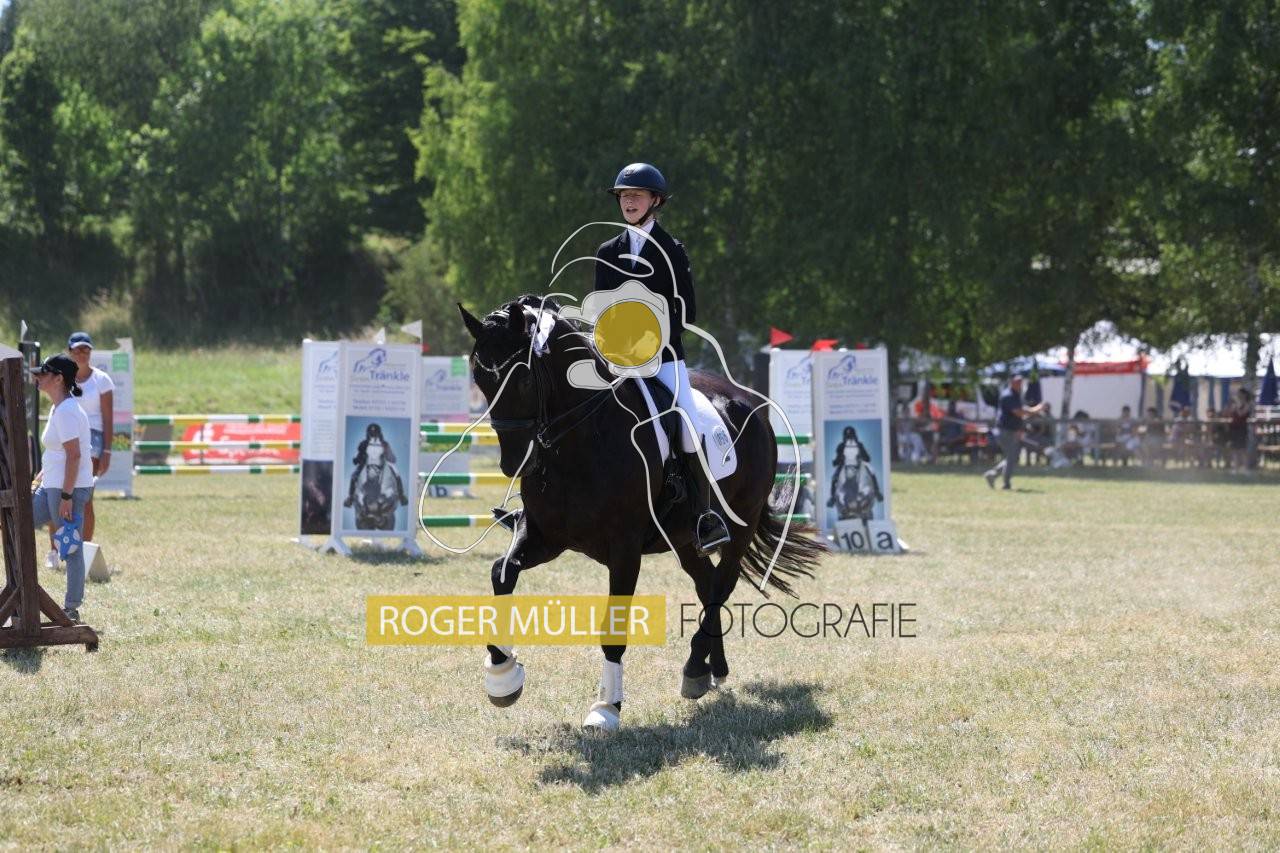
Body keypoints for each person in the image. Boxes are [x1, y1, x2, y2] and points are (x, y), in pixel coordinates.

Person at [593, 162, 728, 555]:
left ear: (655, 200)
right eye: (624, 195)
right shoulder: (607, 252)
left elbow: (686, 312)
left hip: (664, 360)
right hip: (616, 361)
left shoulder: (672, 250)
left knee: (688, 426)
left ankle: (703, 517)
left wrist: (646, 338)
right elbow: (601, 307)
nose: (629, 201)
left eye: (636, 195)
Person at [29, 354, 94, 622]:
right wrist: (42, 476)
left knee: (70, 546)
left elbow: (74, 456)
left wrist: (67, 496)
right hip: (52, 484)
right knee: (23, 521)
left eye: (43, 373)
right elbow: (58, 451)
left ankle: (71, 607)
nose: (37, 377)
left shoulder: (67, 411)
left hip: (68, 488)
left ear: (58, 379)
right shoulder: (59, 408)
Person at [983, 374, 1047, 490]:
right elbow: (1018, 412)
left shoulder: (1016, 395)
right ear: (1011, 382)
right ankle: (1005, 483)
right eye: (1017, 382)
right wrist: (1036, 409)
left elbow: (1019, 414)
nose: (1020, 384)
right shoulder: (1008, 395)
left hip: (1011, 431)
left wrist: (1019, 429)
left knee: (1012, 457)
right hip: (1005, 431)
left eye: (1021, 382)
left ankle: (992, 475)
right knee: (1012, 457)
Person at [1227, 388, 1252, 470]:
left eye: (1240, 394)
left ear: (1244, 395)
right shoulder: (1235, 404)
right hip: (1234, 429)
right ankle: (1235, 467)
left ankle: (1245, 468)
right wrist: (1234, 406)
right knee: (1234, 449)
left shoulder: (1247, 404)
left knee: (1243, 449)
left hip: (1242, 429)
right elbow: (1230, 413)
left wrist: (1237, 406)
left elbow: (1241, 414)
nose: (1238, 395)